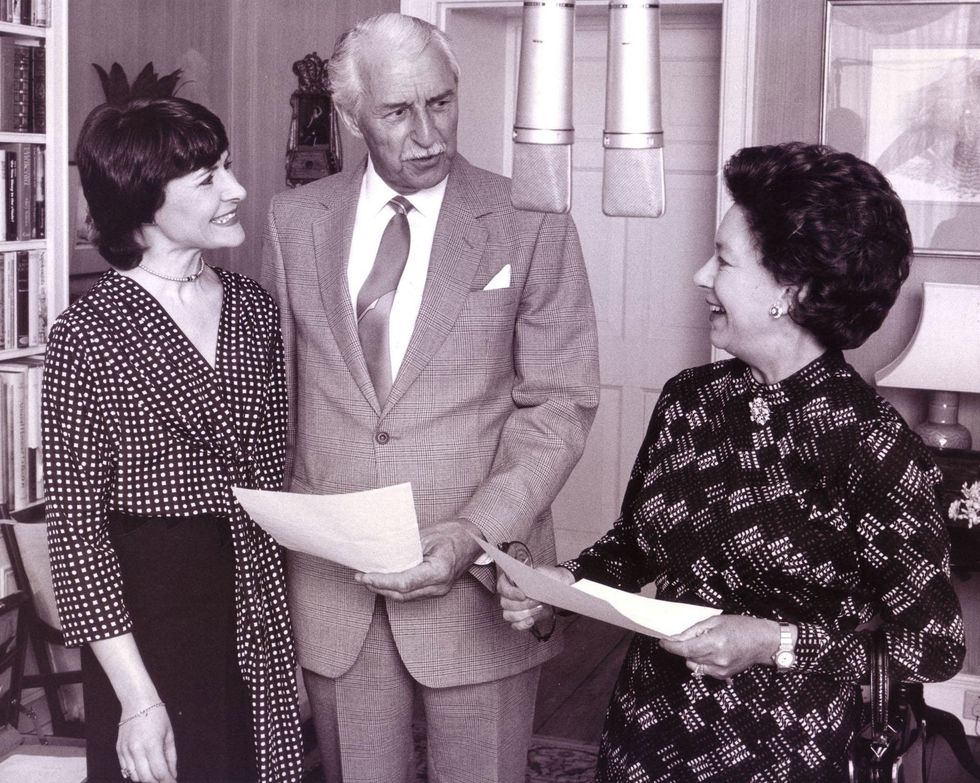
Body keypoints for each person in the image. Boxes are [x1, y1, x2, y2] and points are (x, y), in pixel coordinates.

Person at [499, 142, 967, 782]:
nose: (700, 275)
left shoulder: (873, 446)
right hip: (647, 735)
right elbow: (634, 547)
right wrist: (559, 587)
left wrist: (773, 642)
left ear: (790, 291)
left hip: (787, 752)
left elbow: (934, 647)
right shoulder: (691, 401)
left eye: (722, 260)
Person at [261, 12, 599, 783]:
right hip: (336, 592)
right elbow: (282, 394)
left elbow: (560, 404)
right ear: (351, 117)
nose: (427, 134)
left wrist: (472, 533)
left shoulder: (532, 220)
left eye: (440, 103)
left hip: (482, 578)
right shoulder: (294, 221)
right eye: (397, 111)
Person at [43, 97, 303, 783]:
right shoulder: (86, 334)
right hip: (149, 617)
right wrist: (136, 697)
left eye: (227, 168)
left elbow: (276, 475)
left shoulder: (253, 308)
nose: (237, 189)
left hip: (253, 599)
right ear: (143, 200)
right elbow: (75, 537)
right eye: (208, 178)